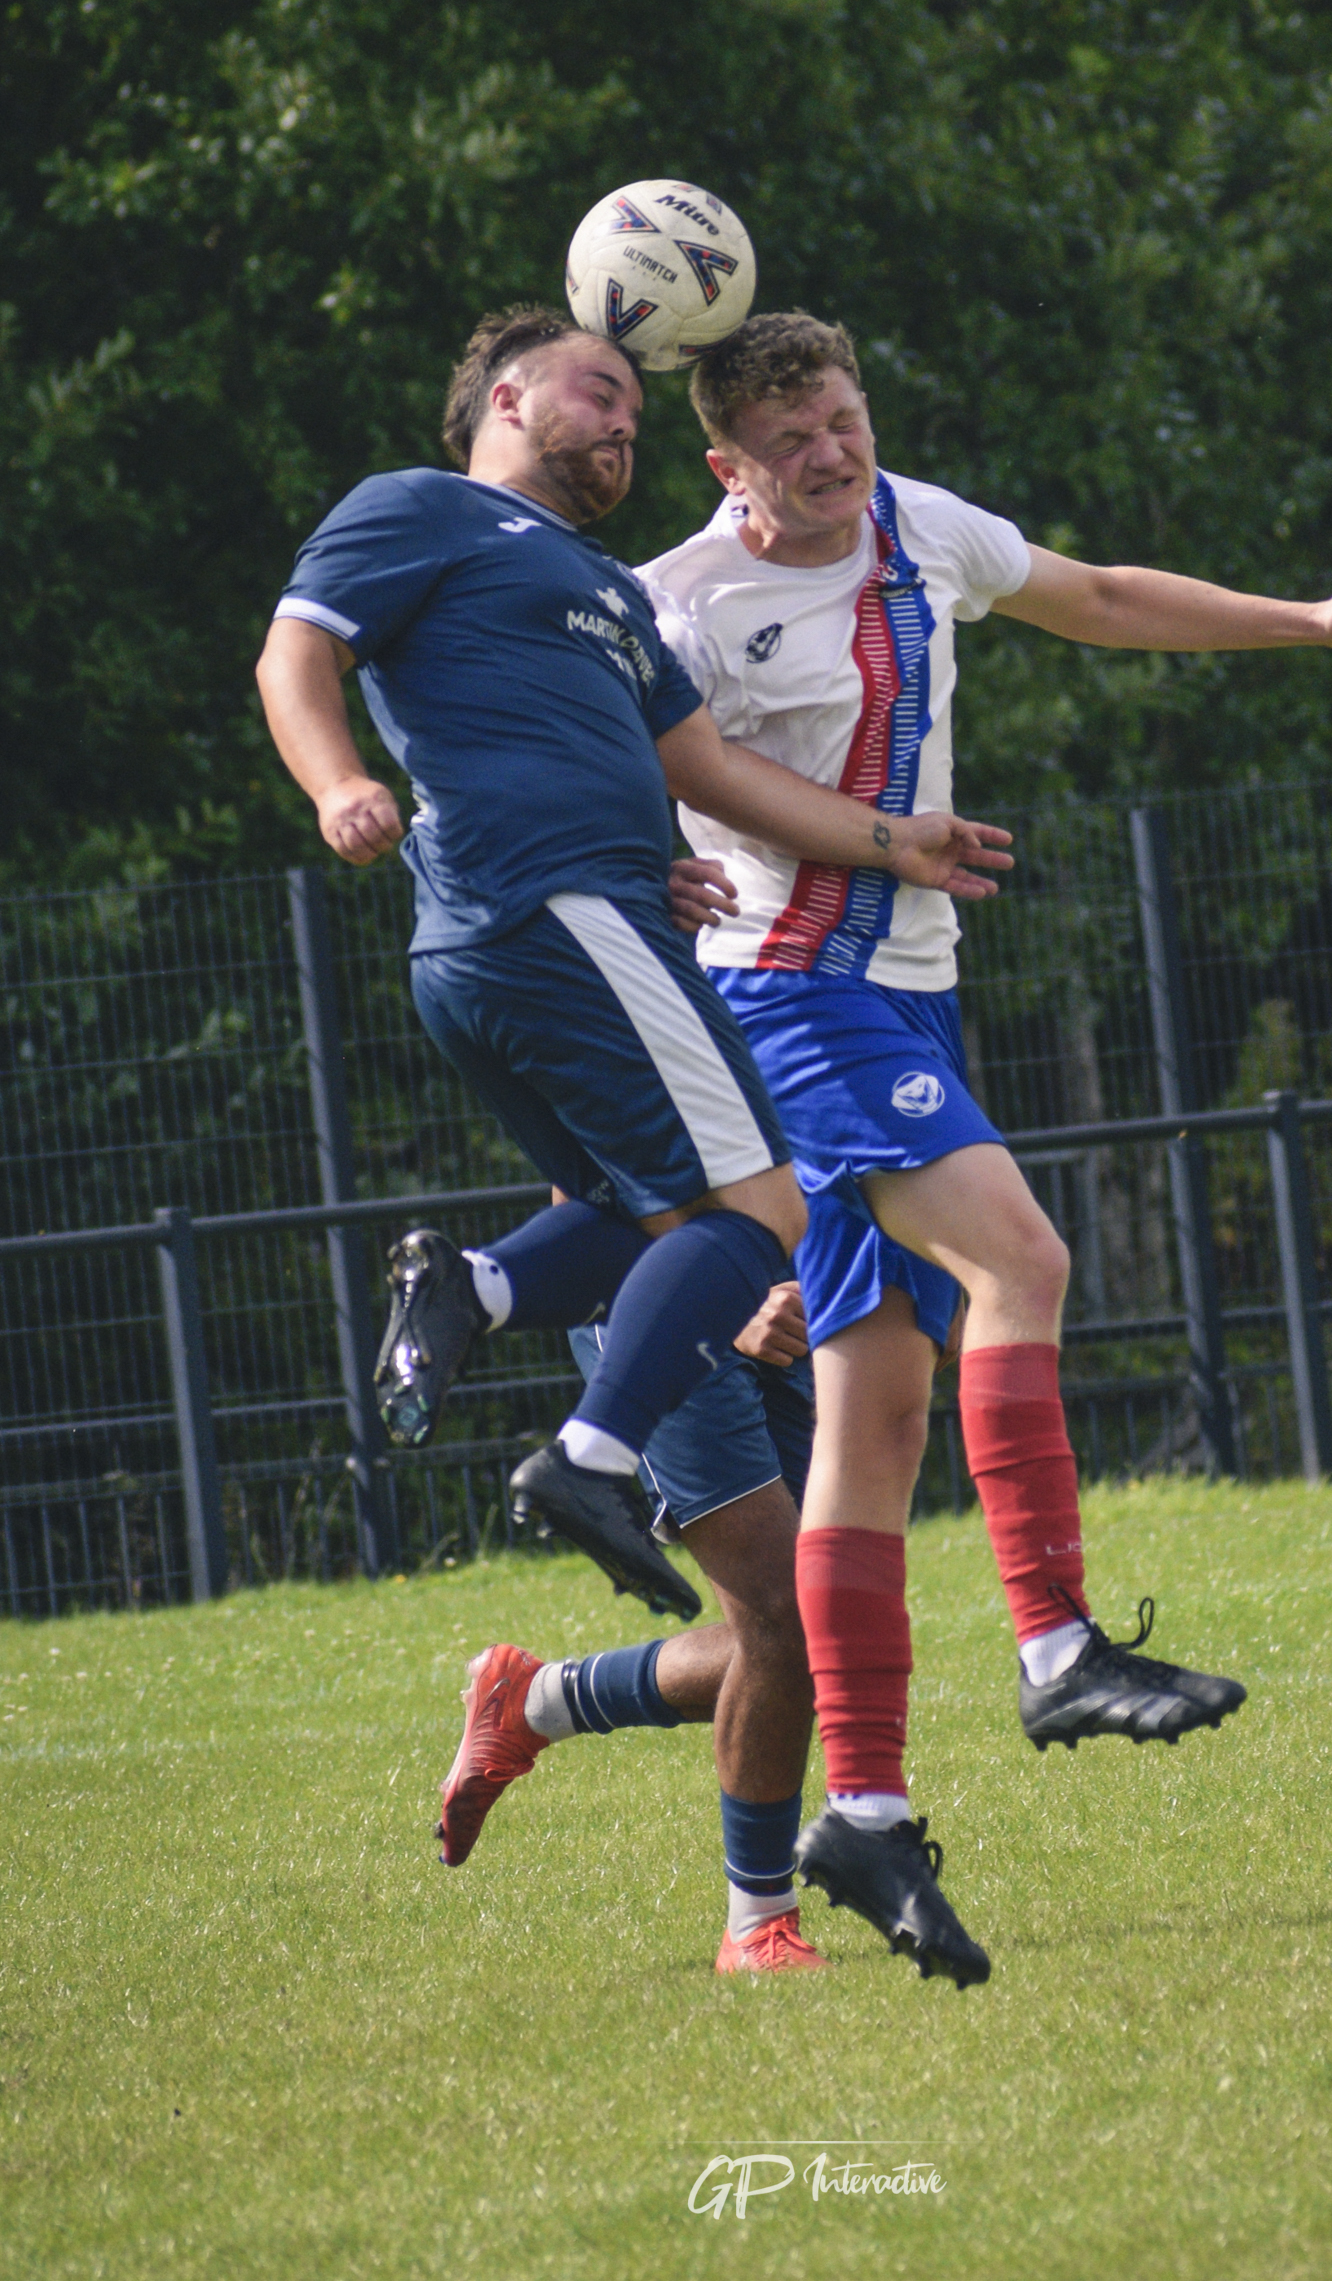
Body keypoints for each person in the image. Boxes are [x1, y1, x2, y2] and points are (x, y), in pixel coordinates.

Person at [633, 309, 1332, 1987]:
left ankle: (860, 1805)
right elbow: (649, 773)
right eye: (794, 443)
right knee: (1025, 1259)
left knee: (875, 1405)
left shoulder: (922, 522)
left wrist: (1310, 624)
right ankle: (1056, 1643)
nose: (833, 454)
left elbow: (1103, 597)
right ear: (730, 469)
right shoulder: (680, 605)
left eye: (843, 419)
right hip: (790, 992)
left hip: (907, 994)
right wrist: (759, 857)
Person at [253, 306, 1010, 1974]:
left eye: (631, 409)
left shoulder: (612, 602)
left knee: (778, 1602)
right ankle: (584, 1456)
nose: (619, 419)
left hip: (596, 929)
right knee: (762, 1217)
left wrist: (898, 840)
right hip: (549, 920)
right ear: (503, 399)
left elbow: (721, 781)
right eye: (594, 390)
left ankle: (491, 1344)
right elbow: (294, 655)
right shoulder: (420, 507)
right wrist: (333, 788)